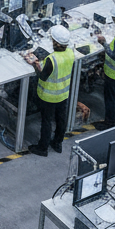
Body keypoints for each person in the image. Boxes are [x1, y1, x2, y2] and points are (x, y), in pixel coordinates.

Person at [28, 25, 74, 157]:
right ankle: (57, 143)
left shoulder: (52, 59)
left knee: (46, 121)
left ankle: (42, 148)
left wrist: (36, 65)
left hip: (49, 96)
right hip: (63, 93)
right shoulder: (70, 53)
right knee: (61, 119)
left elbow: (42, 76)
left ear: (56, 42)